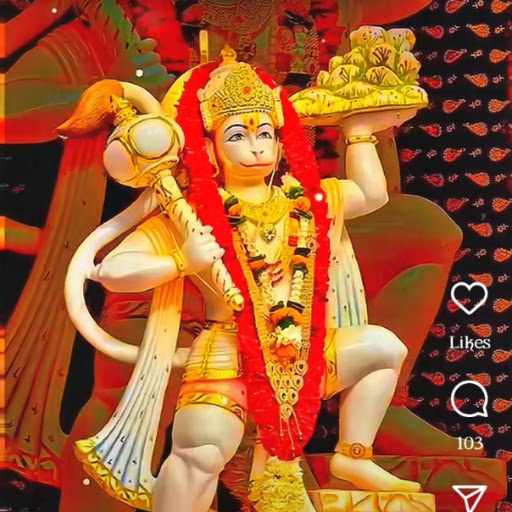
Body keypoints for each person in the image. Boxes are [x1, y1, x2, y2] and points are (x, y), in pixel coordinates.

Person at [59, 47, 421, 512]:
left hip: (301, 352)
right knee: (201, 453)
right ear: (210, 148)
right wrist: (182, 260)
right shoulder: (192, 216)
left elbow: (371, 195)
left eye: (265, 134)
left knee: (383, 349)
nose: (256, 147)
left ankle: (353, 455)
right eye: (237, 135)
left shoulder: (307, 201)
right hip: (228, 352)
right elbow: (114, 271)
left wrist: (359, 133)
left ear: (281, 142)